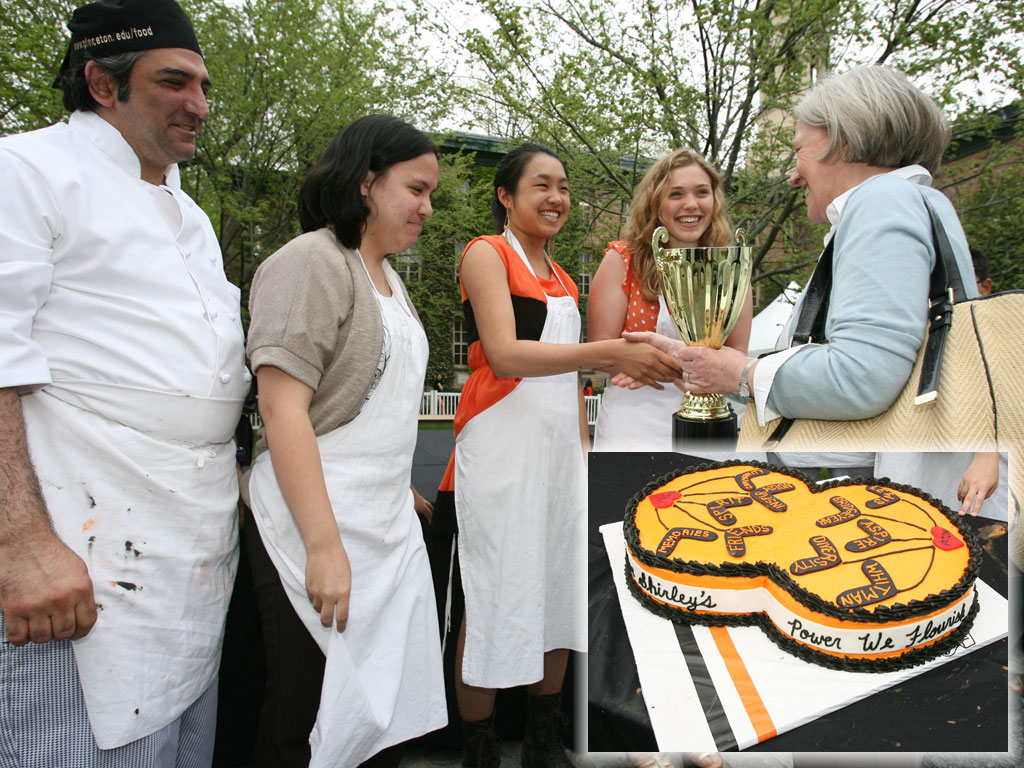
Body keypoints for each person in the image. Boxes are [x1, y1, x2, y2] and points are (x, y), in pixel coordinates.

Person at [0, 0, 249, 764]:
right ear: (100, 84)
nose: (198, 106)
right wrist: (21, 543)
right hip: (80, 550)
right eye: (174, 82)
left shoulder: (191, 215)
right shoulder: (25, 168)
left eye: (204, 87)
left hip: (192, 549)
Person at [431, 143, 680, 768]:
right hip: (497, 454)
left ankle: (543, 740)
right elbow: (507, 354)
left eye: (564, 186)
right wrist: (609, 354)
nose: (556, 198)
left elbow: (568, 384)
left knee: (558, 597)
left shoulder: (564, 277)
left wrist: (585, 448)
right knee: (490, 599)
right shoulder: (486, 254)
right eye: (541, 185)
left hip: (559, 458)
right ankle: (481, 750)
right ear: (505, 196)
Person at [621, 65, 977, 477]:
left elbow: (861, 378)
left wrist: (735, 371)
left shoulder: (883, 201)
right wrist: (701, 363)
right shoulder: (915, 202)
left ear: (842, 143)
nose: (793, 176)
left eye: (799, 151)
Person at [243, 115, 445, 768]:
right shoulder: (311, 262)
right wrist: (324, 549)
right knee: (304, 717)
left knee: (376, 718)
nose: (427, 207)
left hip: (382, 526)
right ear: (366, 182)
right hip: (312, 526)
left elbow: (373, 402)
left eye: (430, 193)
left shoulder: (388, 277)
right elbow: (283, 410)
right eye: (416, 188)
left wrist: (397, 487)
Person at [589, 148, 753, 451]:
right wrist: (697, 368)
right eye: (676, 194)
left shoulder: (731, 266)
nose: (691, 204)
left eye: (702, 192)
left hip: (710, 424)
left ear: (714, 200)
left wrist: (649, 362)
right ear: (656, 202)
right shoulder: (623, 261)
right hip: (633, 425)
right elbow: (601, 351)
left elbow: (738, 355)